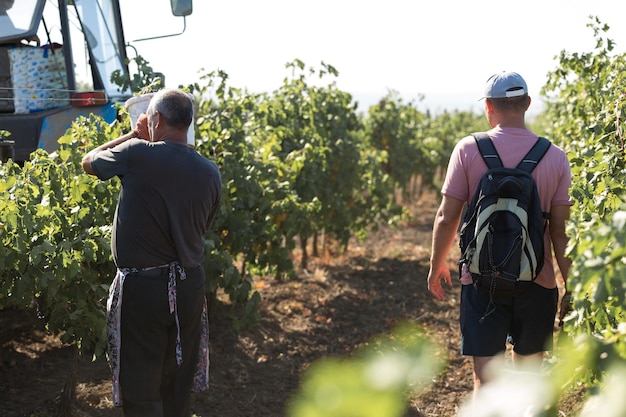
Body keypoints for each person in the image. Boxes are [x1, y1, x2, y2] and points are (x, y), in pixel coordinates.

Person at [426, 72, 572, 397]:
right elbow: (560, 232)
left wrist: (437, 264)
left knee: (485, 382)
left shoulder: (467, 149)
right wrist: (571, 285)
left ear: (489, 107)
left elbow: (447, 217)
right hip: (537, 282)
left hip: (481, 282)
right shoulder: (555, 157)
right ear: (528, 104)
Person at [82, 88, 222, 417]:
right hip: (188, 285)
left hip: (144, 290)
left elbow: (88, 161)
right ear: (188, 123)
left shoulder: (137, 153)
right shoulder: (210, 172)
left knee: (141, 383)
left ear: (155, 119)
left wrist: (133, 134)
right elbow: (204, 227)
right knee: (177, 377)